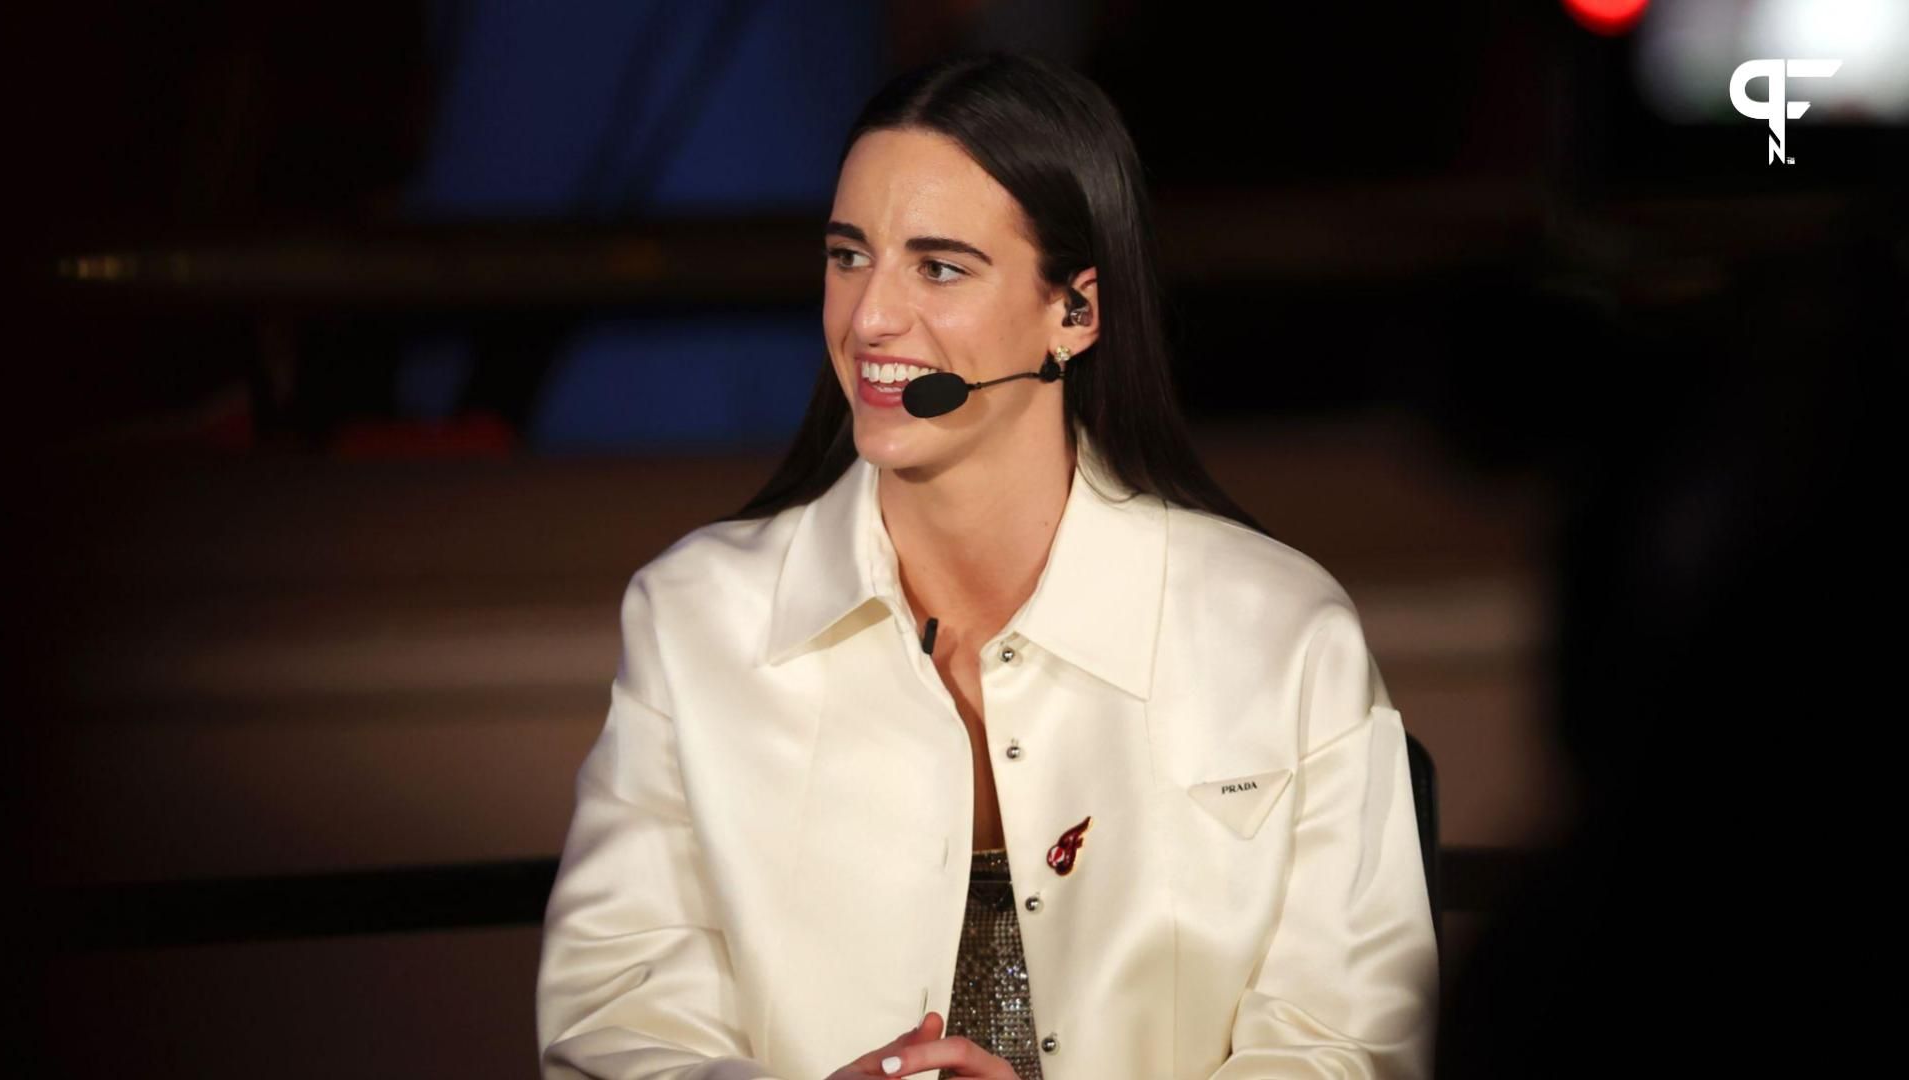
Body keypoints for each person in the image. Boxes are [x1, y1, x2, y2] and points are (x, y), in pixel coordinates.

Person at [536, 51, 1438, 1080]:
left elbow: (1351, 1048)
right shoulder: (695, 618)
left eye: (939, 266)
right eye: (848, 256)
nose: (871, 316)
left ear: (1076, 313)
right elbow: (618, 1023)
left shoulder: (1281, 634)